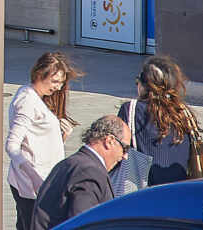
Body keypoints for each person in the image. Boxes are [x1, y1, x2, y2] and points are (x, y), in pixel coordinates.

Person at [7, 52, 82, 230]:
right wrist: (33, 177)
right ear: (40, 74)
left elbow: (37, 142)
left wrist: (61, 136)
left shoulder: (33, 97)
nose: (57, 87)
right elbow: (12, 145)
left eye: (61, 83)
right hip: (33, 185)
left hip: (40, 181)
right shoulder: (28, 101)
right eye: (55, 81)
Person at [29, 115, 129, 230]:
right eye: (125, 148)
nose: (125, 156)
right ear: (109, 141)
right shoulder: (90, 171)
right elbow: (84, 224)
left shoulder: (71, 163)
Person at [117, 56, 203, 186]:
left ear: (143, 85)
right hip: (179, 189)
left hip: (145, 192)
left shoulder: (131, 110)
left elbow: (118, 152)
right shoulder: (183, 112)